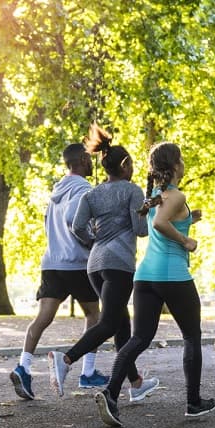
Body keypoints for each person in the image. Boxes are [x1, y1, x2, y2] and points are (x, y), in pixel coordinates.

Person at [95, 141, 215, 427]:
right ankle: (194, 403)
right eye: (182, 161)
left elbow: (161, 222)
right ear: (175, 166)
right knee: (191, 337)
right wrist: (186, 240)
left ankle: (110, 395)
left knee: (139, 338)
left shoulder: (155, 197)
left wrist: (190, 220)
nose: (184, 165)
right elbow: (162, 224)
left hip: (145, 277)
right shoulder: (174, 195)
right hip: (173, 276)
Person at [47, 124, 158, 404]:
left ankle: (135, 383)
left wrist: (94, 239)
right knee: (110, 322)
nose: (133, 168)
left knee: (122, 326)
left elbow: (76, 226)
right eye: (131, 163)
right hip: (119, 264)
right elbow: (140, 230)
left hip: (95, 265)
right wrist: (143, 212)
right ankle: (66, 359)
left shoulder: (92, 193)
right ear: (125, 165)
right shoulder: (132, 191)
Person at [10, 143, 106, 401]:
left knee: (42, 318)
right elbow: (74, 220)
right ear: (84, 159)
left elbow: (48, 223)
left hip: (52, 262)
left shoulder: (57, 190)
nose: (92, 163)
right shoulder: (84, 188)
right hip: (77, 263)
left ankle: (24, 366)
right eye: (89, 159)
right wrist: (89, 241)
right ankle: (87, 372)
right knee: (94, 316)